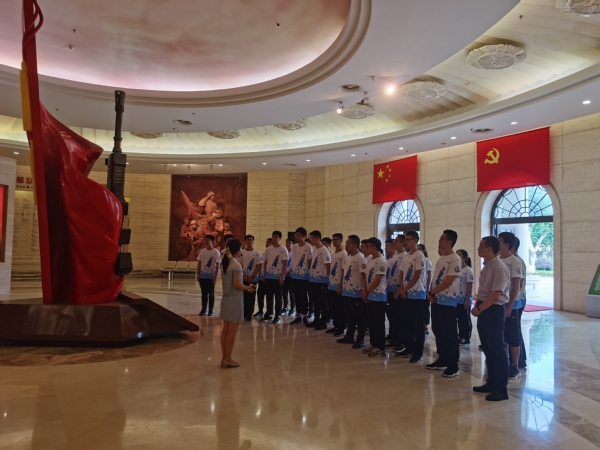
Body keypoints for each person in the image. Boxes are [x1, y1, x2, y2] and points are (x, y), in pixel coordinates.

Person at [472, 236, 510, 401]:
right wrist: (478, 305)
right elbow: (484, 291)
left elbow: (495, 295)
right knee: (487, 347)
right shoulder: (487, 266)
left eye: (481, 246)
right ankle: (491, 382)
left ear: (489, 249)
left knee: (497, 349)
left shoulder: (499, 268)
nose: (478, 249)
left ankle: (501, 389)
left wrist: (479, 308)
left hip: (493, 310)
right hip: (485, 308)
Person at [426, 230, 462, 378]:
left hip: (448, 302)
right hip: (437, 300)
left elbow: (449, 280)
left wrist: (433, 291)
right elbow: (435, 278)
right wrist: (430, 293)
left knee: (449, 333)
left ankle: (453, 365)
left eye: (442, 239)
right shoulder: (441, 259)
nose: (439, 241)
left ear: (449, 242)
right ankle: (442, 359)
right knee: (438, 330)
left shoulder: (455, 258)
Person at [219, 239, 255, 369]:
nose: (241, 251)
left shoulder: (225, 263)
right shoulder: (236, 265)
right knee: (232, 332)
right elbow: (236, 284)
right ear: (236, 251)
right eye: (240, 248)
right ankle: (228, 359)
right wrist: (248, 288)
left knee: (225, 330)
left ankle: (224, 358)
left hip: (226, 299)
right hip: (234, 300)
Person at [394, 231, 428, 363]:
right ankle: (409, 347)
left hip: (417, 294)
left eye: (408, 239)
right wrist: (402, 288)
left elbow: (417, 275)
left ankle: (418, 352)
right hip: (406, 293)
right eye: (405, 240)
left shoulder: (419, 255)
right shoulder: (406, 256)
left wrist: (406, 289)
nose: (406, 242)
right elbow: (402, 273)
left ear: (415, 240)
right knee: (407, 322)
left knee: (418, 325)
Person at [498, 231, 524, 380]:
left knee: (513, 335)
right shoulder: (497, 259)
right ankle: (505, 361)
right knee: (502, 335)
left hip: (511, 305)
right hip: (498, 302)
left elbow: (516, 285)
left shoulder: (515, 261)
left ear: (506, 244)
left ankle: (514, 365)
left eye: (499, 241)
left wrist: (510, 305)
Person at [337, 235, 368, 348]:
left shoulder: (360, 258)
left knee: (359, 317)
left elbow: (365, 276)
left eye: (348, 243)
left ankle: (360, 339)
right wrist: (341, 287)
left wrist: (365, 290)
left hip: (356, 294)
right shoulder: (349, 257)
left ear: (355, 245)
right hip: (347, 292)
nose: (346, 245)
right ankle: (349, 336)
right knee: (349, 316)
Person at [362, 238, 388, 358]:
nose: (367, 248)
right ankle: (374, 344)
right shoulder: (370, 260)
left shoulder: (381, 261)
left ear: (375, 247)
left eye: (369, 246)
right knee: (371, 322)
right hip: (370, 295)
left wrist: (367, 291)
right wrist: (365, 290)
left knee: (378, 323)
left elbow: (377, 280)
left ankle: (380, 347)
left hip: (378, 296)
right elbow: (367, 277)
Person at [261, 231, 288, 324]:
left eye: (276, 237)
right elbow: (265, 263)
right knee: (269, 296)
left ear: (280, 238)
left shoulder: (283, 249)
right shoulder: (268, 249)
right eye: (273, 236)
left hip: (278, 277)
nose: (274, 238)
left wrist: (282, 276)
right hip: (269, 276)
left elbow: (285, 264)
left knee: (278, 297)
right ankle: (269, 313)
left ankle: (277, 315)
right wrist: (264, 275)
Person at [307, 230, 332, 330]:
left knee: (322, 302)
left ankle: (323, 321)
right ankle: (316, 319)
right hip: (313, 279)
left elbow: (328, 265)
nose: (311, 240)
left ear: (318, 239)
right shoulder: (315, 250)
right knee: (315, 301)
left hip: (321, 281)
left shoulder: (324, 250)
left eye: (312, 238)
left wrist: (328, 278)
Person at [290, 227, 313, 325]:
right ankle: (298, 315)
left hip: (304, 275)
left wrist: (308, 272)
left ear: (303, 236)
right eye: (296, 235)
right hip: (295, 275)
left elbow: (309, 260)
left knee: (304, 296)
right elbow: (293, 259)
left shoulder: (308, 247)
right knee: (296, 295)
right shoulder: (294, 246)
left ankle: (304, 315)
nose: (297, 236)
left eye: (299, 235)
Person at [388, 235, 407, 351]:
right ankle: (393, 338)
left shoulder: (405, 256)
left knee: (400, 318)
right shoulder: (394, 256)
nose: (394, 243)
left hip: (398, 291)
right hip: (390, 290)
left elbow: (403, 275)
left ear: (403, 243)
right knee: (392, 317)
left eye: (396, 241)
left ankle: (401, 341)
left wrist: (399, 289)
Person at [327, 233, 347, 335]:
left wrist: (341, 285)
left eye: (336, 240)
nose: (334, 242)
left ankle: (341, 328)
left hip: (338, 285)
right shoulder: (333, 254)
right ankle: (335, 326)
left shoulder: (343, 254)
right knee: (333, 307)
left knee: (340, 308)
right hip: (332, 284)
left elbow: (344, 270)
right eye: (333, 240)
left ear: (340, 241)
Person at [196, 235, 221, 316]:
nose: (206, 241)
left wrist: (215, 276)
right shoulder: (202, 251)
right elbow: (199, 263)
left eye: (208, 240)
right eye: (205, 239)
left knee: (211, 293)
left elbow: (218, 265)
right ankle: (203, 309)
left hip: (211, 276)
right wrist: (198, 274)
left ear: (212, 241)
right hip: (203, 276)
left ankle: (210, 310)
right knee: (204, 294)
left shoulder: (216, 252)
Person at [512, 237, 527, 370]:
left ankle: (519, 360)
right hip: (515, 300)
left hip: (517, 301)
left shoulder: (517, 261)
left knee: (515, 331)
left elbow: (519, 283)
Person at [241, 235, 262, 321]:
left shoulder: (257, 253)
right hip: (243, 278)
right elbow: (239, 264)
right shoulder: (241, 252)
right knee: (243, 296)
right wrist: (243, 276)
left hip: (253, 279)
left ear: (253, 241)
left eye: (251, 240)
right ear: (245, 241)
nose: (249, 241)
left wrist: (252, 276)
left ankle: (249, 314)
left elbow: (259, 265)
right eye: (247, 240)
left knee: (251, 297)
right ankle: (244, 313)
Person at [456, 249, 474, 346]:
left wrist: (467, 300)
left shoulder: (468, 270)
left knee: (465, 319)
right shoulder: (457, 269)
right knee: (459, 319)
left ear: (464, 258)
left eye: (459, 255)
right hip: (457, 299)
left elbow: (469, 285)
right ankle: (461, 335)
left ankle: (466, 337)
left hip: (464, 299)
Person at [253, 238, 272, 319]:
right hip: (261, 278)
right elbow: (260, 266)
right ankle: (260, 311)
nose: (267, 244)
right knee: (260, 294)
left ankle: (269, 312)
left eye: (269, 242)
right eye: (266, 242)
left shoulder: (273, 255)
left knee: (269, 296)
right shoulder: (263, 254)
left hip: (269, 278)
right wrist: (258, 276)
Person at [419, 243, 433, 335]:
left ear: (424, 251)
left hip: (424, 288)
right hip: (418, 288)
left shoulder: (427, 261)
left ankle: (425, 326)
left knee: (425, 308)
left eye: (420, 249)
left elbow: (429, 275)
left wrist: (428, 288)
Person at [282, 238, 295, 315]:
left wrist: (289, 271)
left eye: (290, 242)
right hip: (284, 275)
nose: (288, 244)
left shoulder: (294, 253)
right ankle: (285, 307)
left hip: (291, 276)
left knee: (291, 293)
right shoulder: (284, 252)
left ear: (292, 244)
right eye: (287, 242)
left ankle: (292, 308)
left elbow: (295, 263)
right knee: (284, 292)